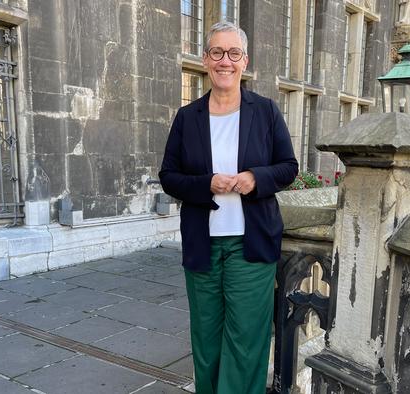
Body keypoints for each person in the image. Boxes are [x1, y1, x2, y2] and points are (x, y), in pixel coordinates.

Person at [159, 21, 298, 394]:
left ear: (244, 61)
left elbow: (289, 167)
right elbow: (168, 176)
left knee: (247, 342)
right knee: (206, 342)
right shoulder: (188, 118)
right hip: (203, 246)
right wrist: (206, 184)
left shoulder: (266, 111)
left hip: (251, 245)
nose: (225, 61)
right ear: (206, 60)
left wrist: (255, 178)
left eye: (233, 53)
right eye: (217, 52)